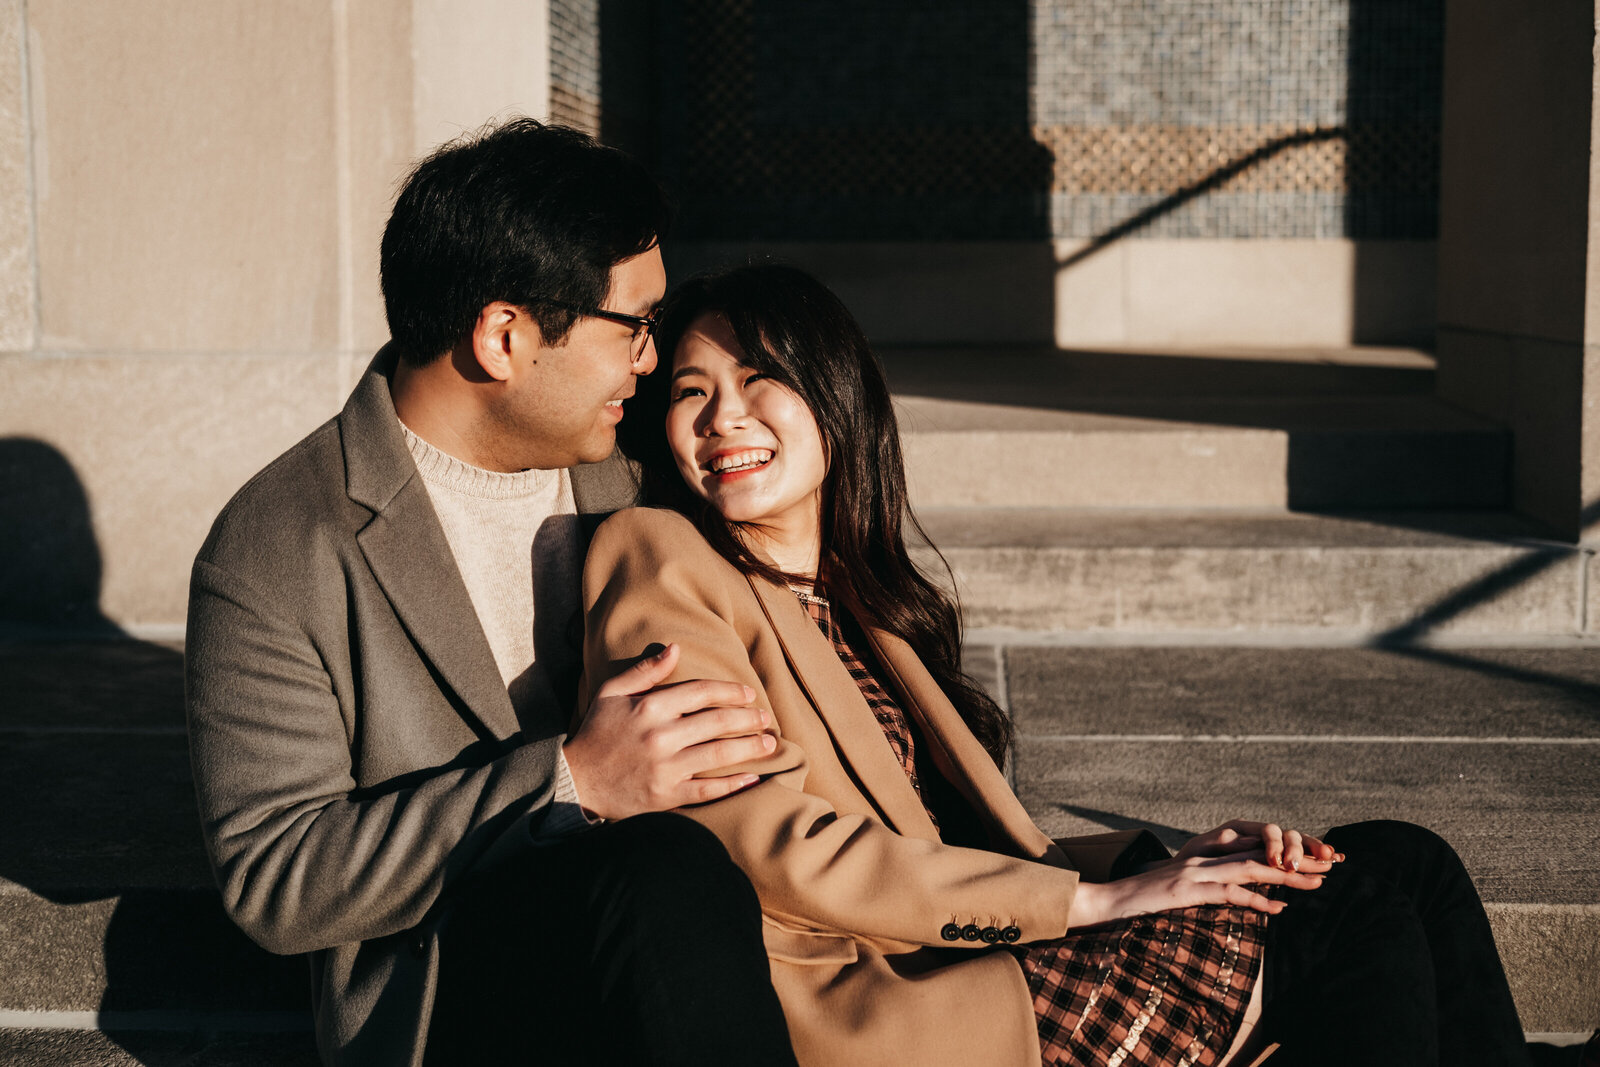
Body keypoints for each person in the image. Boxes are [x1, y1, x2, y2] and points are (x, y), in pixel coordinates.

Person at [579, 263, 1534, 1067]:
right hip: (884, 995)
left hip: (970, 938)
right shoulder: (659, 550)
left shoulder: (859, 596)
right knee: (1349, 922)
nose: (720, 418)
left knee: (1403, 858)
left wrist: (1162, 857)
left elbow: (945, 836)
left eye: (759, 379)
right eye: (692, 391)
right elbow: (770, 839)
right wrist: (1105, 897)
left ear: (834, 396)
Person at [184, 120, 796, 1066]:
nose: (650, 360)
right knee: (663, 873)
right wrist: (573, 780)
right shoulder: (277, 545)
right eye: (634, 326)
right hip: (452, 981)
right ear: (503, 336)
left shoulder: (634, 478)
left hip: (698, 936)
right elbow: (277, 873)